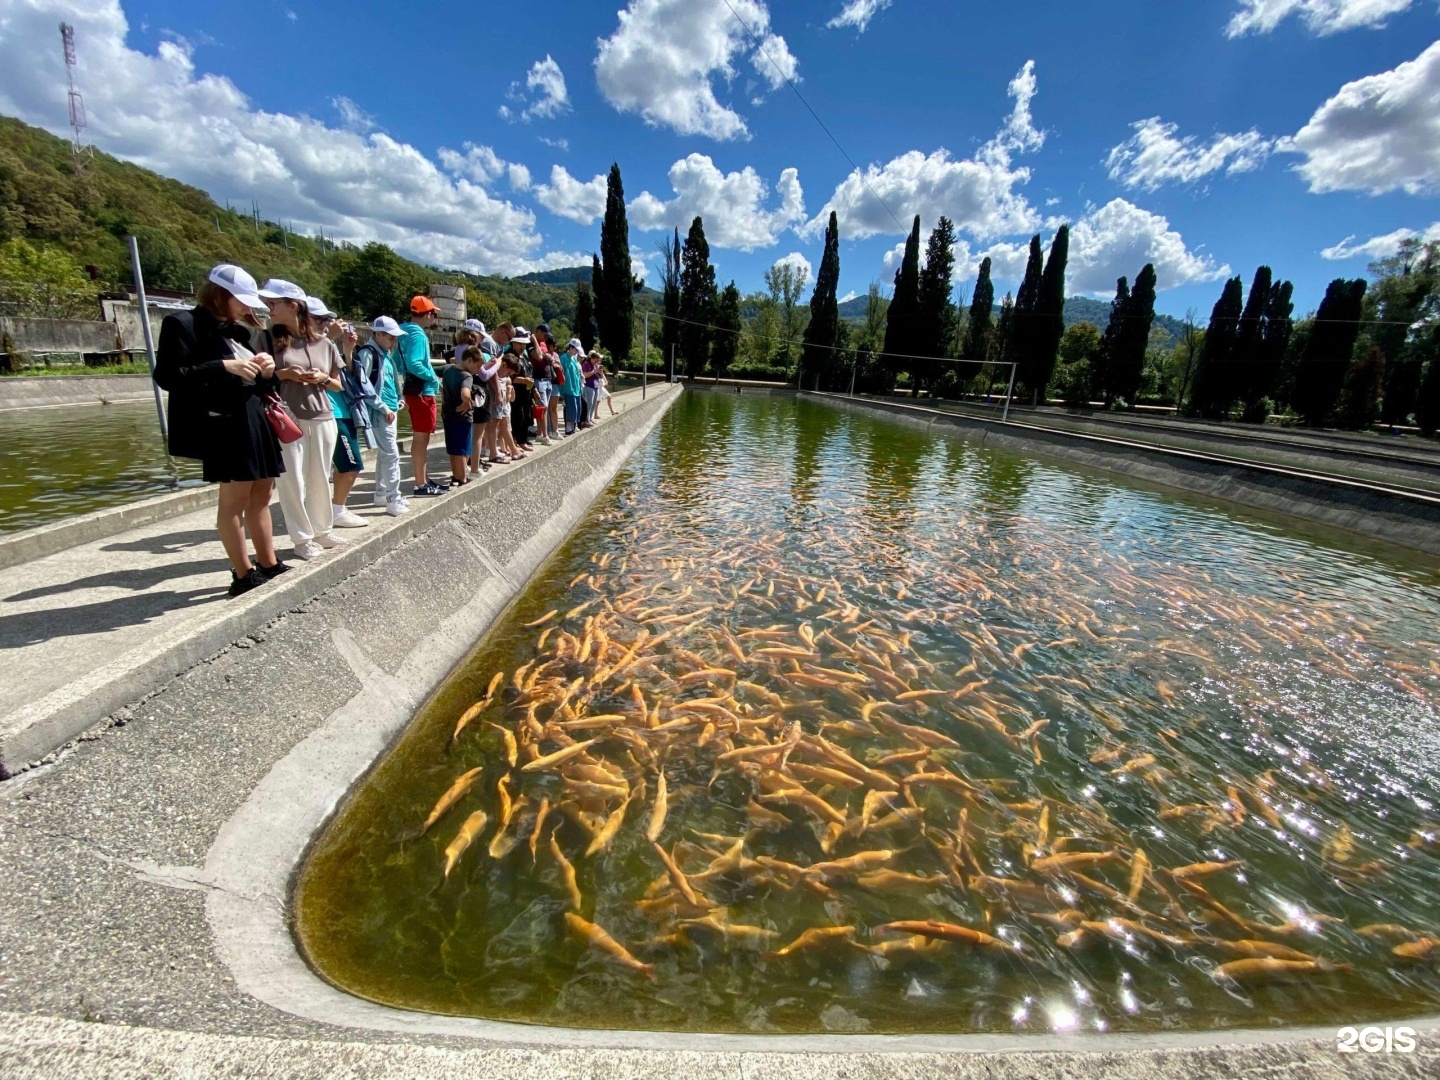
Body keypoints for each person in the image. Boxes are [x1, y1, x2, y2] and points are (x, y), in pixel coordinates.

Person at [154, 264, 287, 597]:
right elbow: (168, 376)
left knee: (263, 494)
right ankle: (242, 574)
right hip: (225, 423)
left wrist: (268, 370)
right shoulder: (181, 324)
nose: (245, 309)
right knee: (234, 501)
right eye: (240, 301)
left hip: (253, 416)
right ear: (219, 295)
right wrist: (222, 366)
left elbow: (261, 381)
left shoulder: (238, 331)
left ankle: (268, 562)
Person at [261, 278, 345, 560]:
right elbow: (261, 378)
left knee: (320, 476)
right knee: (292, 480)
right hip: (287, 418)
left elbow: (338, 384)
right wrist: (285, 375)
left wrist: (321, 378)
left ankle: (322, 530)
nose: (268, 308)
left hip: (322, 415)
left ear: (293, 306)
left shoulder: (325, 344)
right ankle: (302, 539)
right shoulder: (268, 340)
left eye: (273, 303)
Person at [354, 317, 408, 516]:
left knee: (386, 454)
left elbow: (391, 381)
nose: (393, 342)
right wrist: (384, 407)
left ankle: (381, 493)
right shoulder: (368, 354)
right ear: (377, 334)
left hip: (389, 411)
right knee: (391, 455)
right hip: (380, 414)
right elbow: (364, 386)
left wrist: (398, 399)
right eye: (390, 337)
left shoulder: (383, 354)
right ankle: (393, 498)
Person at [327, 319, 377, 529]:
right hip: (332, 412)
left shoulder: (326, 348)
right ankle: (335, 510)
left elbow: (352, 378)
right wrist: (328, 337)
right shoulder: (310, 345)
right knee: (351, 463)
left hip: (345, 411)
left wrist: (347, 350)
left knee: (347, 464)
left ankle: (336, 508)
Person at [399, 296, 444, 497]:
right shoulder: (418, 334)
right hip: (421, 392)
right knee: (421, 439)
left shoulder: (403, 331)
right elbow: (414, 363)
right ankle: (420, 484)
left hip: (412, 391)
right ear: (427, 314)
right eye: (433, 314)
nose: (434, 318)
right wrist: (433, 377)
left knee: (421, 438)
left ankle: (424, 479)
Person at [442, 345, 484, 486]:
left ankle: (454, 477)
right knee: (462, 449)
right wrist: (467, 402)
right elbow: (465, 393)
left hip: (447, 414)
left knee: (452, 449)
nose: (478, 371)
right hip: (462, 417)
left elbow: (431, 371)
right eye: (478, 367)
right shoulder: (467, 376)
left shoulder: (447, 369)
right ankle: (462, 478)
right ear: (470, 360)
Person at [510, 325, 536, 453]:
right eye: (520, 343)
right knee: (517, 417)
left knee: (526, 416)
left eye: (524, 344)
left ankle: (523, 440)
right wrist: (524, 380)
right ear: (513, 342)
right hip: (516, 393)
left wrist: (534, 389)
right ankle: (518, 441)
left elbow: (530, 373)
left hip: (527, 392)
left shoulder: (524, 356)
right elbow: (511, 376)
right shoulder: (510, 356)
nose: (522, 346)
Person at [559, 338, 585, 436]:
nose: (576, 351)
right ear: (570, 347)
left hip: (576, 389)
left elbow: (577, 375)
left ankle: (573, 427)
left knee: (577, 408)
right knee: (571, 408)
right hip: (568, 388)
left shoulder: (574, 359)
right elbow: (561, 375)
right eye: (575, 349)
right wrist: (561, 391)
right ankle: (568, 428)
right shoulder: (563, 358)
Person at [580, 350, 601, 428]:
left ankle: (590, 418)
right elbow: (585, 375)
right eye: (595, 360)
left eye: (597, 361)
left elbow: (599, 376)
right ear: (591, 358)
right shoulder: (586, 364)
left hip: (595, 386)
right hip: (588, 386)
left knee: (594, 403)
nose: (596, 362)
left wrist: (599, 372)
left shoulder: (595, 365)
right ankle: (587, 419)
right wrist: (594, 372)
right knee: (589, 403)